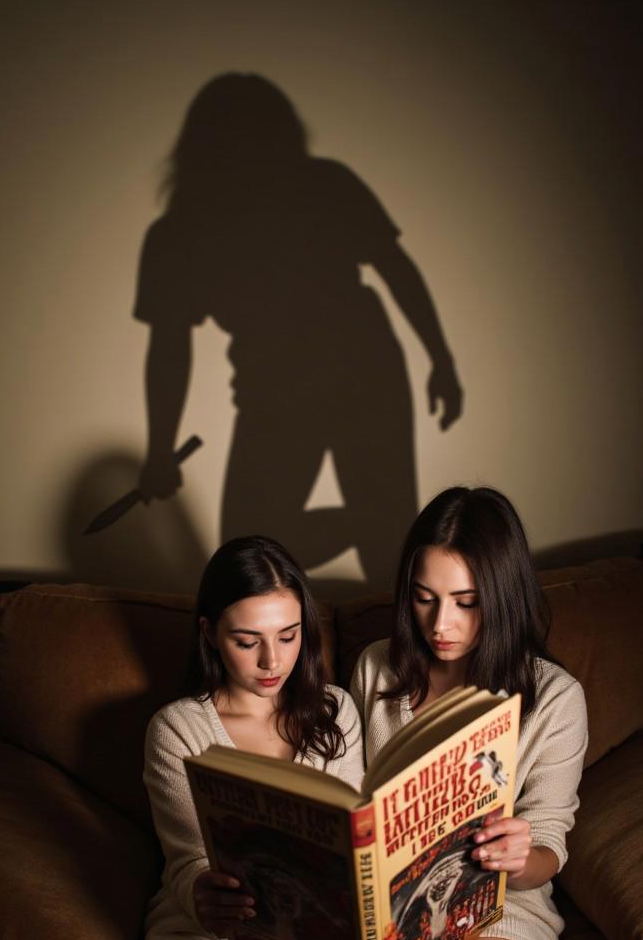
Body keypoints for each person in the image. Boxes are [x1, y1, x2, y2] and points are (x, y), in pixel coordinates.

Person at [232, 487, 588, 940]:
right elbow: (354, 802)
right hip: (392, 916)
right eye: (424, 599)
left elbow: (551, 844)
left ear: (505, 594)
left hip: (501, 916)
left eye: (466, 601)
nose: (442, 624)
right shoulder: (374, 671)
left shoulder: (554, 696)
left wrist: (520, 853)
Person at [135, 73, 462, 586]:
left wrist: (441, 360)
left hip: (360, 367)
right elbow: (170, 348)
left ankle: (384, 559)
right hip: (286, 382)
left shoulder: (321, 186)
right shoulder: (182, 232)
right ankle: (372, 524)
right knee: (251, 551)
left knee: (378, 557)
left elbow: (395, 267)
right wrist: (159, 447)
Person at [143, 535, 367, 940]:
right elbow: (185, 858)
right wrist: (201, 890)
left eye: (290, 635)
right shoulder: (179, 729)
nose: (274, 661)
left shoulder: (335, 712)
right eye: (249, 641)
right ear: (210, 635)